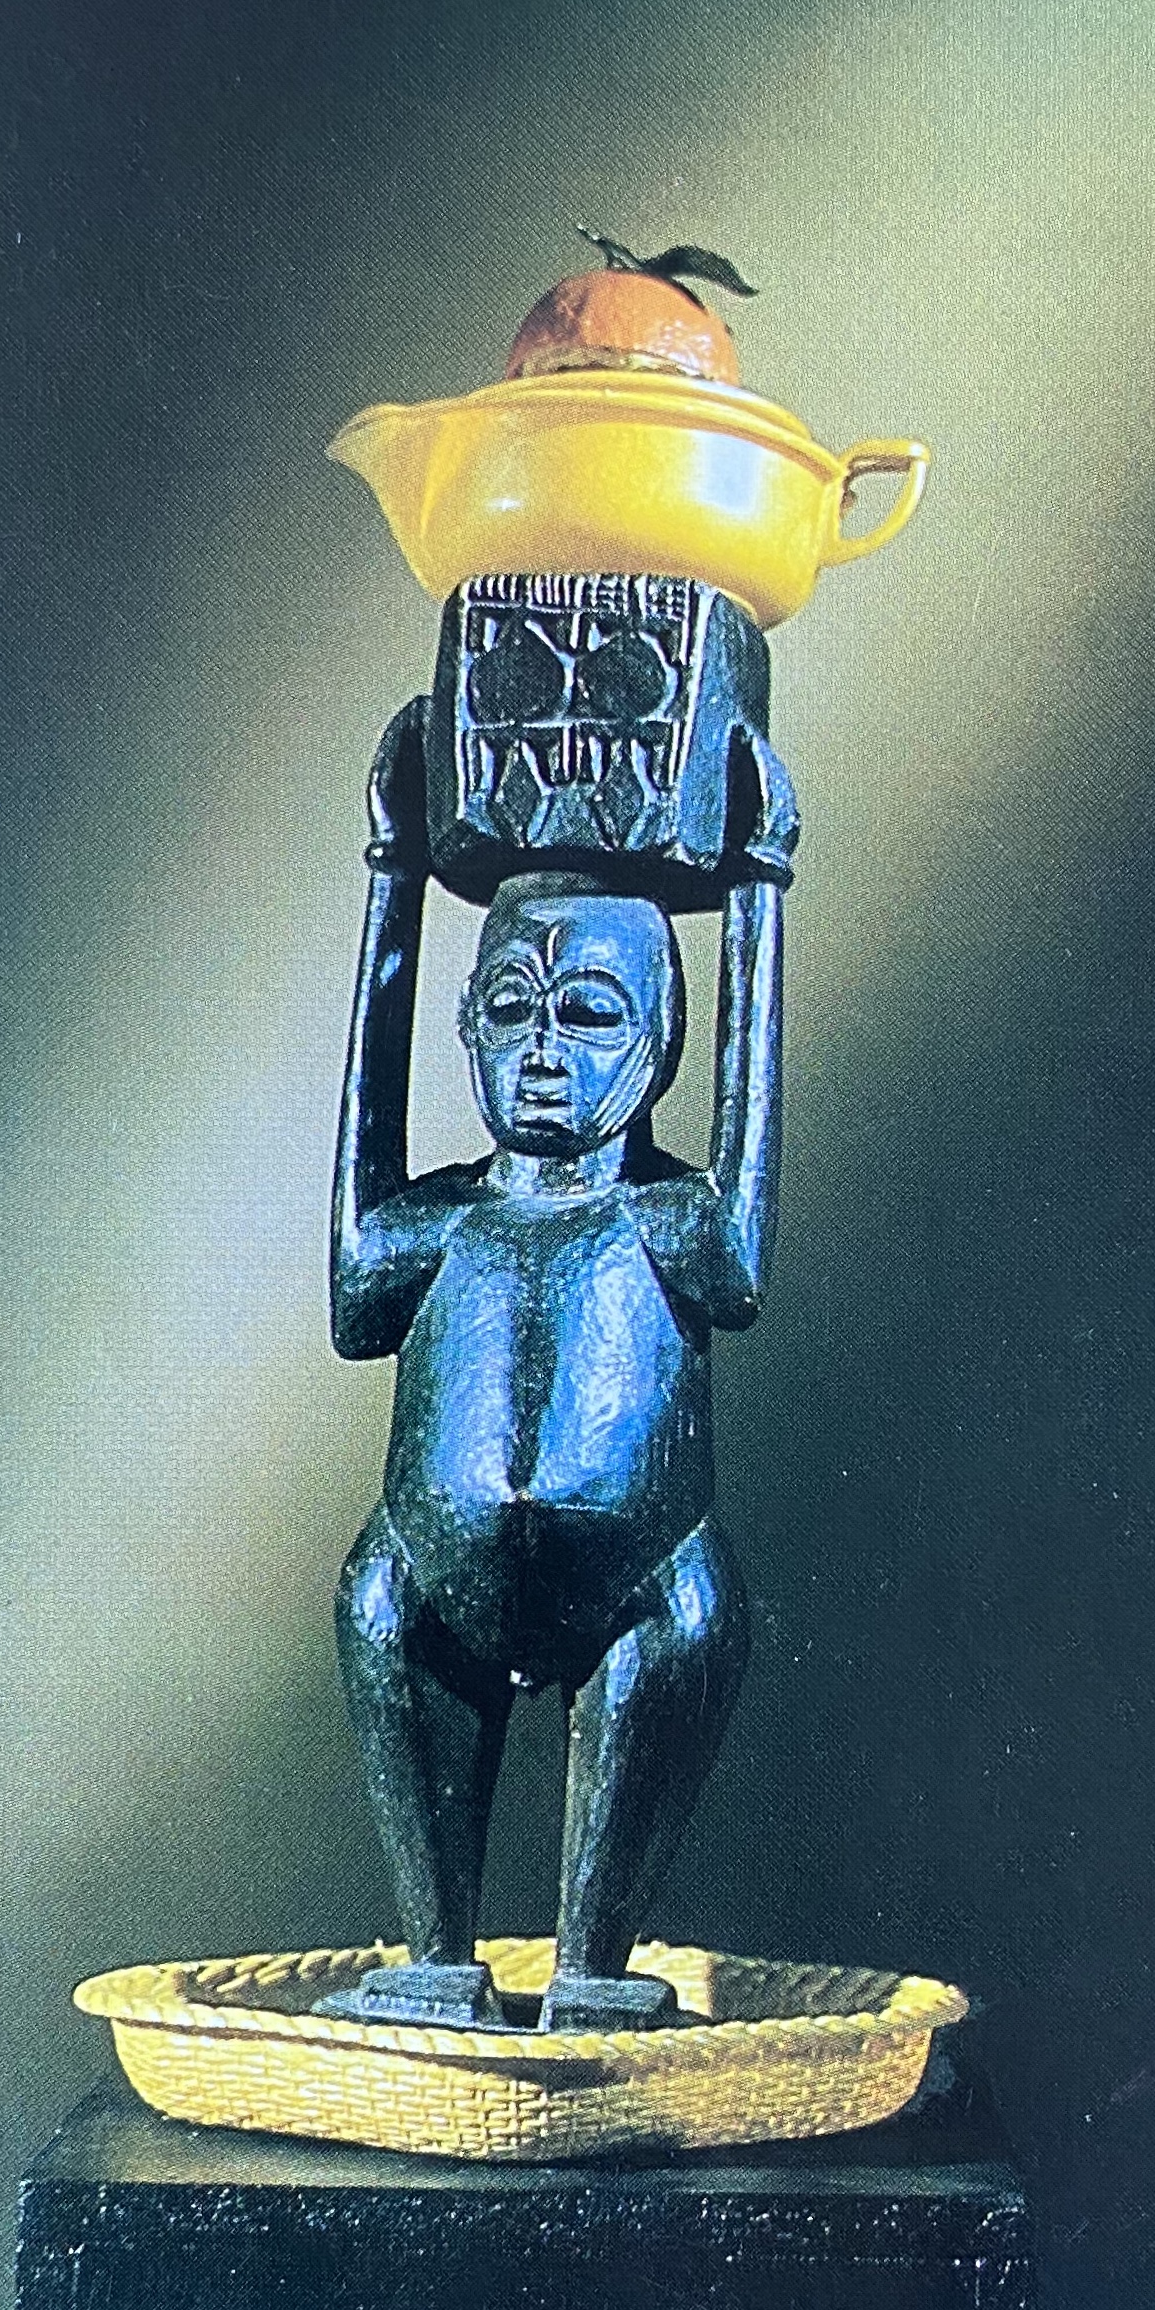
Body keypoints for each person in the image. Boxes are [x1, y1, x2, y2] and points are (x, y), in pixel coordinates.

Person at [324, 694, 790, 2032]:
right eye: (511, 1009)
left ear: (660, 1045)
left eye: (587, 1014)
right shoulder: (432, 1223)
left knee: (686, 1618)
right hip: (428, 1578)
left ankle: (593, 1961)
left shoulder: (674, 1222)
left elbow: (745, 1228)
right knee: (377, 1601)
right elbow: (353, 1296)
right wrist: (391, 881)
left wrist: (760, 893)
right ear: (466, 1028)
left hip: (644, 1588)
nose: (539, 1050)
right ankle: (435, 1953)